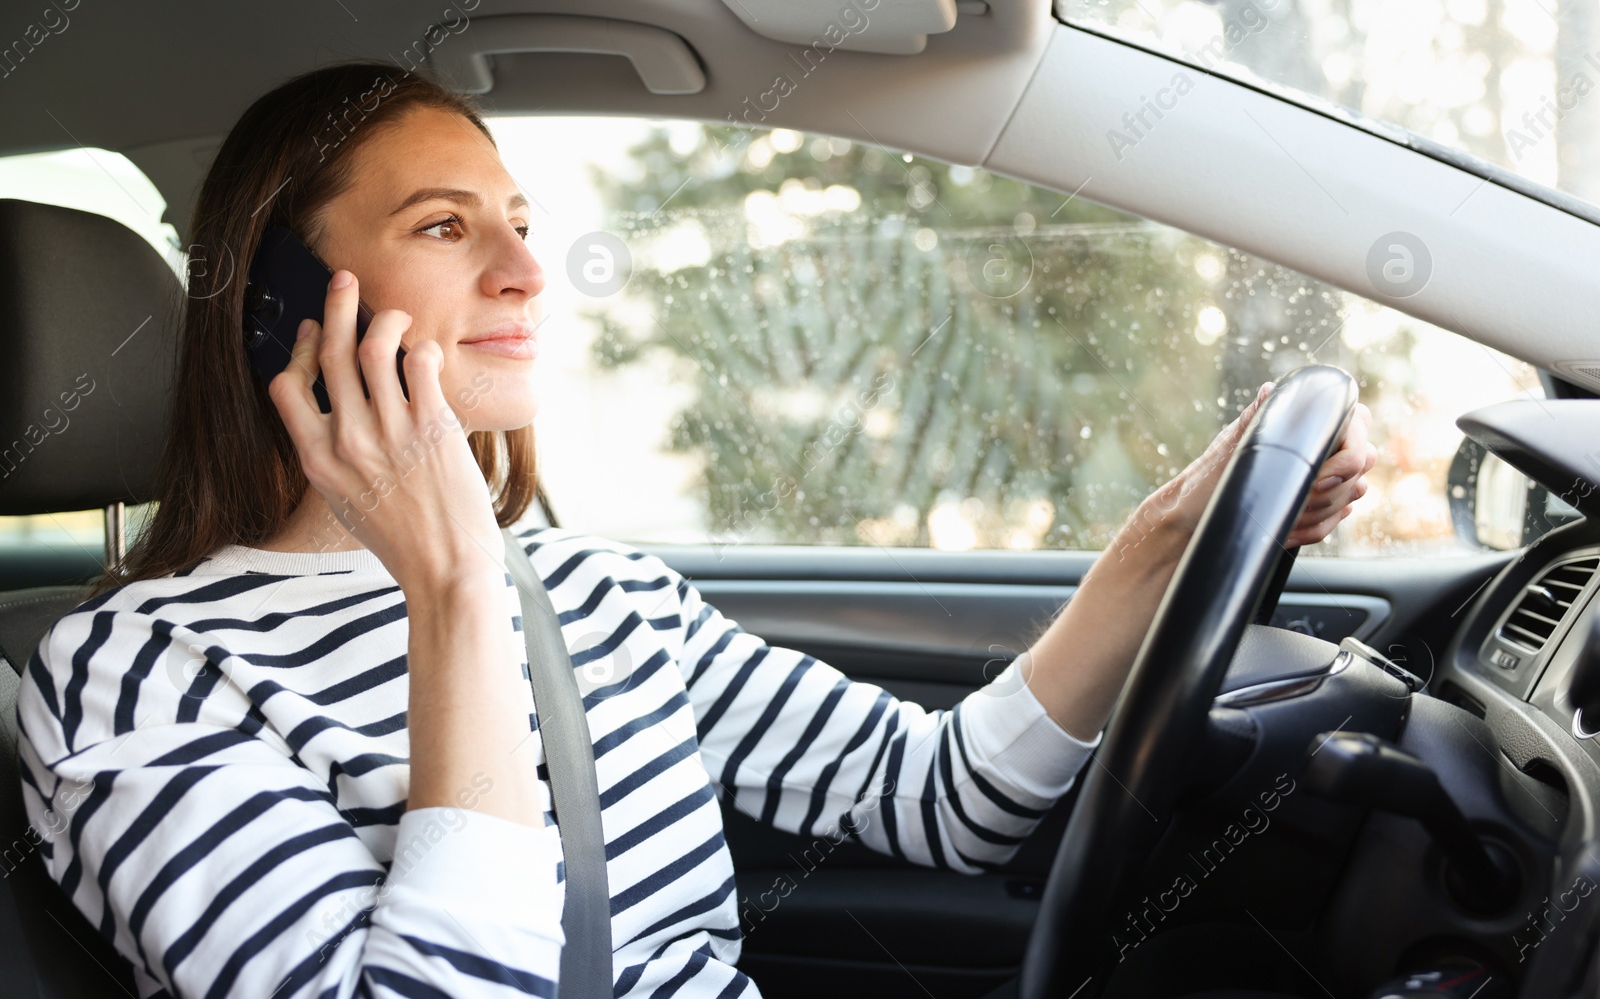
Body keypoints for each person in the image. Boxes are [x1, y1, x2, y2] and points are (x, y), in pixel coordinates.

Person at [14, 61, 1375, 999]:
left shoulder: (601, 594)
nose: (527, 271)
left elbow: (946, 800)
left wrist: (1164, 537)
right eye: (445, 226)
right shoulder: (138, 672)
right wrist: (452, 596)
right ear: (283, 305)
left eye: (525, 224)